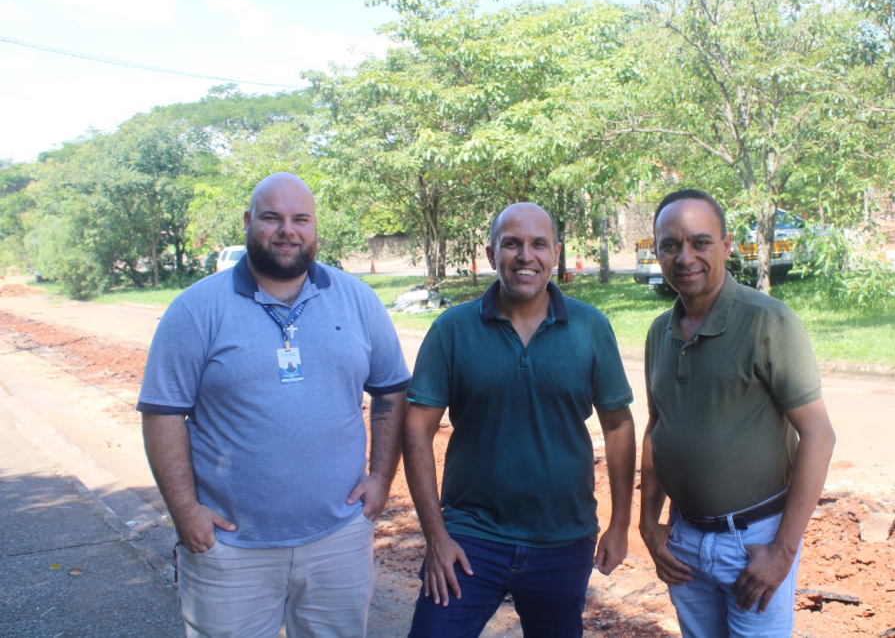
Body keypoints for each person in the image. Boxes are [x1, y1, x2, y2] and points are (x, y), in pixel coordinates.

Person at [137, 172, 411, 637]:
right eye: (272, 218)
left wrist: (381, 479)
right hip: (229, 547)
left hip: (338, 540)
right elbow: (163, 412)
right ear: (248, 222)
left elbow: (390, 391)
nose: (288, 230)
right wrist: (185, 512)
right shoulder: (196, 308)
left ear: (315, 228)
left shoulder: (358, 301)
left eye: (300, 219)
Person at [404, 202, 636, 638]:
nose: (525, 256)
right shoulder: (452, 330)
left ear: (556, 253)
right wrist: (436, 536)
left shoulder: (591, 329)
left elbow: (619, 425)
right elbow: (417, 428)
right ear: (491, 254)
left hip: (563, 542)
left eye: (538, 244)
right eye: (512, 244)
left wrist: (619, 525)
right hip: (469, 538)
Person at [639, 189, 836, 638]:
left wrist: (783, 550)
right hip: (685, 541)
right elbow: (657, 427)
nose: (685, 256)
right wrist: (648, 522)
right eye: (670, 244)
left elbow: (819, 435)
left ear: (727, 245)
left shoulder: (768, 322)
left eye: (700, 242)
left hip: (754, 544)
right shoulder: (659, 333)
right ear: (657, 251)